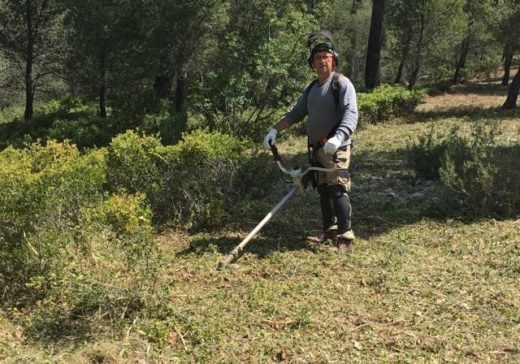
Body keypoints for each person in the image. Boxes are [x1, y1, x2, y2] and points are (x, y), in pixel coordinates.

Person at [263, 30, 358, 253]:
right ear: (312, 64)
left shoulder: (342, 84)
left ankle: (345, 237)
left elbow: (351, 114)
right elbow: (294, 114)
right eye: (317, 58)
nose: (321, 61)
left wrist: (339, 136)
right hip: (317, 149)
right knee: (324, 190)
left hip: (336, 147)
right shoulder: (311, 90)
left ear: (333, 60)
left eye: (325, 57)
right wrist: (274, 130)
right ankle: (330, 230)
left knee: (337, 188)